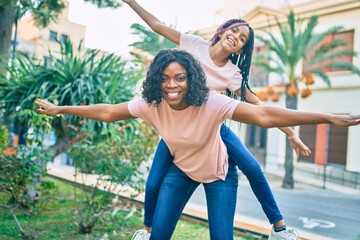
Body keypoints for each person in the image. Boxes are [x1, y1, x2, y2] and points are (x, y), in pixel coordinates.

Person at [35, 49, 360, 240]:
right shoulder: (150, 104)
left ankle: (280, 227)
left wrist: (327, 118)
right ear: (155, 80)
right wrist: (61, 108)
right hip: (181, 172)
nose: (171, 84)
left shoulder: (211, 102)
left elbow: (265, 117)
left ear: (191, 78)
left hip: (219, 175)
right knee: (157, 237)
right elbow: (107, 112)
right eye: (164, 78)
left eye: (179, 77)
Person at [122, 1, 310, 239]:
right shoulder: (193, 44)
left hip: (210, 129)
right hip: (177, 128)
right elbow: (156, 25)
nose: (236, 37)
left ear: (240, 50)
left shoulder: (232, 73)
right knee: (152, 184)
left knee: (252, 168)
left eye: (242, 39)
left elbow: (259, 106)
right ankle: (147, 230)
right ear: (222, 31)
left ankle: (280, 228)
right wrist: (131, 2)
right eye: (234, 30)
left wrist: (291, 134)